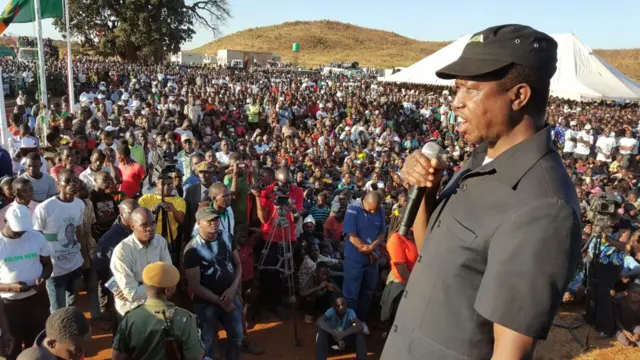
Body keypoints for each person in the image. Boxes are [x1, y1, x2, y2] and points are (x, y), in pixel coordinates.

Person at [381, 25, 582, 359]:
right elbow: (434, 250)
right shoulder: (478, 161)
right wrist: (425, 191)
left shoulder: (543, 207)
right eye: (456, 89)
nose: (456, 104)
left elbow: (510, 353)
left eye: (470, 90)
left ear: (518, 96)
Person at [184, 206, 243, 360]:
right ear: (199, 223)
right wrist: (223, 302)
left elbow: (238, 264)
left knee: (237, 336)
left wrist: (233, 290)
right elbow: (195, 286)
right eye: (209, 220)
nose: (214, 223)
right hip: (206, 303)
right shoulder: (192, 249)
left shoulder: (228, 237)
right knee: (206, 343)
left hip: (230, 296)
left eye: (216, 219)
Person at [112, 262, 204, 360]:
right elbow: (195, 356)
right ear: (168, 290)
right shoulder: (185, 318)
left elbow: (117, 357)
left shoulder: (129, 318)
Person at [0, 204, 52, 360]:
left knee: (37, 344)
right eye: (16, 229)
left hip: (37, 300)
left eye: (23, 229)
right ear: (5, 220)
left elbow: (48, 264)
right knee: (12, 346)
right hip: (9, 305)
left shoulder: (36, 237)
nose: (20, 233)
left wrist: (44, 277)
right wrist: (11, 288)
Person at [253, 167, 304, 320]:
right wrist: (258, 197)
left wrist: (291, 207)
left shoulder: (298, 191)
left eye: (289, 183)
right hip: (270, 237)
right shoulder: (268, 191)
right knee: (269, 272)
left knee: (286, 271)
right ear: (277, 182)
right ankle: (270, 303)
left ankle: (283, 301)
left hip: (289, 237)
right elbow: (262, 219)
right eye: (283, 184)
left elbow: (297, 215)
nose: (287, 187)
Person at [33, 169, 86, 313]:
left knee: (73, 306)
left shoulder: (80, 204)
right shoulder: (45, 208)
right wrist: (40, 268)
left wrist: (84, 257)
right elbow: (36, 238)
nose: (72, 184)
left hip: (75, 265)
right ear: (58, 185)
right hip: (55, 269)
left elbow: (79, 232)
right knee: (58, 310)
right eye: (67, 181)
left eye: (75, 180)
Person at [110, 208, 172, 316]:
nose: (150, 228)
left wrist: (141, 286)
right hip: (132, 308)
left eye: (153, 223)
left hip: (158, 304)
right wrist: (160, 286)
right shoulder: (122, 251)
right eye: (144, 225)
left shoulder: (160, 242)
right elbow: (132, 294)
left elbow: (170, 277)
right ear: (133, 226)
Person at [342, 191, 386, 335]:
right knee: (351, 294)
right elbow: (352, 237)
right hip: (355, 260)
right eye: (370, 209)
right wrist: (371, 252)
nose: (373, 212)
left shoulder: (379, 210)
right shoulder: (353, 210)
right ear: (365, 200)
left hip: (372, 261)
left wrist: (373, 246)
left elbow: (382, 233)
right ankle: (350, 323)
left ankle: (362, 321)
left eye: (375, 210)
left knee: (367, 292)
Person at [138, 174, 185, 255]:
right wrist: (148, 212)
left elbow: (181, 220)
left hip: (170, 240)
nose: (167, 187)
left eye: (170, 184)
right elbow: (137, 218)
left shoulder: (179, 200)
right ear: (157, 184)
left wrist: (173, 209)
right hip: (150, 240)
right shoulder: (146, 199)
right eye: (163, 184)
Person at [183, 161, 216, 244]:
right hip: (194, 235)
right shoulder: (191, 190)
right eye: (201, 172)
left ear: (212, 173)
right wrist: (187, 237)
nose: (203, 175)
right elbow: (187, 215)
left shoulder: (218, 190)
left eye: (206, 172)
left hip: (213, 234)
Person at [614, 282, 640, 347]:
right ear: (627, 292)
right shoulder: (621, 303)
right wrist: (625, 332)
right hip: (622, 328)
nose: (636, 295)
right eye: (634, 292)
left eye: (639, 294)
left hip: (635, 327)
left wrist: (637, 334)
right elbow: (617, 320)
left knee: (638, 329)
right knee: (627, 343)